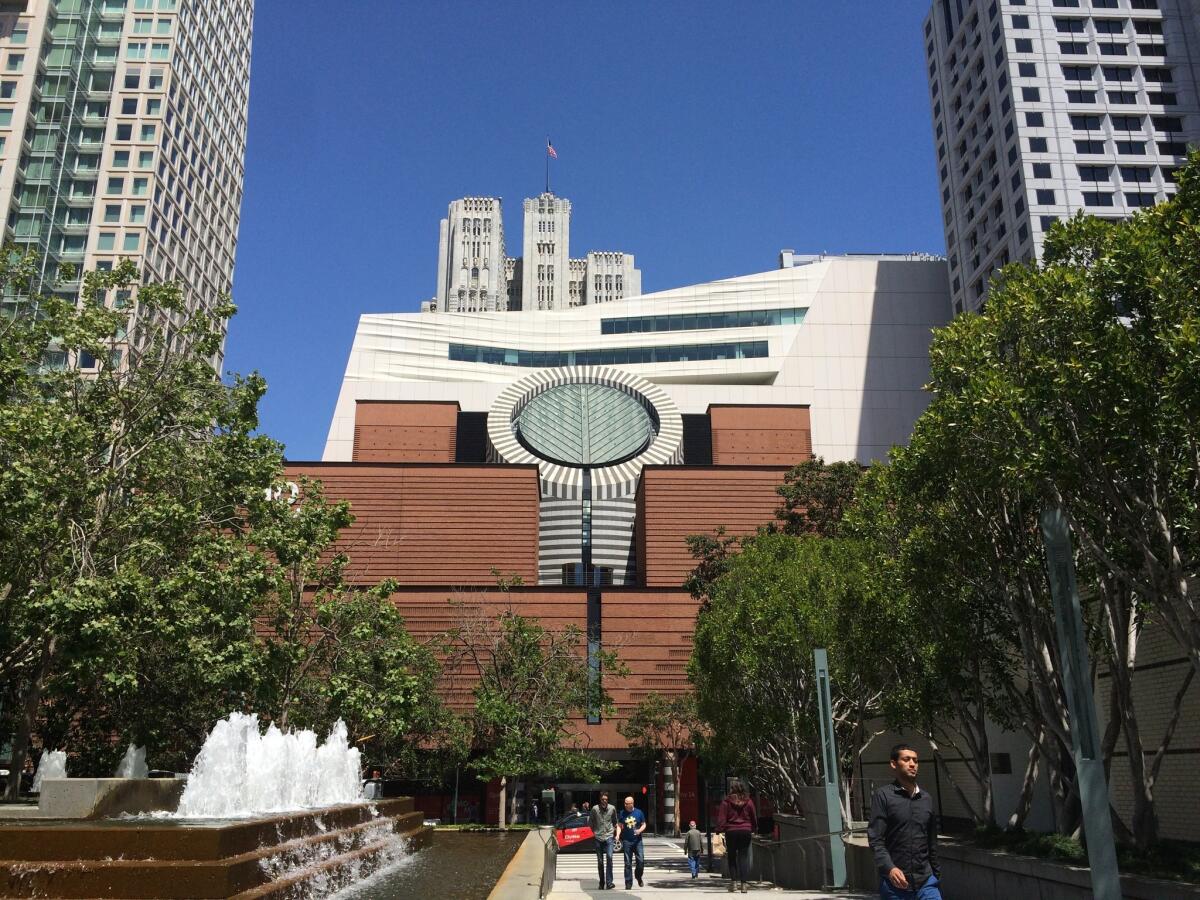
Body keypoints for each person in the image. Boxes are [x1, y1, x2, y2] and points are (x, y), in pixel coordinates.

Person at [868, 744, 942, 900]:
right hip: (895, 885)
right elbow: (876, 840)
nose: (912, 764)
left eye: (915, 760)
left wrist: (936, 875)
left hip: (926, 882)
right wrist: (890, 869)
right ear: (894, 764)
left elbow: (932, 842)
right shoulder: (883, 796)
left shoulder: (927, 799)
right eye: (906, 759)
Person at [717, 779, 757, 893]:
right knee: (743, 857)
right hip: (745, 831)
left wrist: (719, 829)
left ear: (732, 789)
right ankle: (744, 884)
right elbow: (753, 816)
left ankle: (733, 883)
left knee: (732, 857)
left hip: (731, 831)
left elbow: (722, 817)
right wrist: (754, 828)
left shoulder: (726, 801)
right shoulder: (748, 801)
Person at [589, 792, 619, 890]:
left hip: (609, 836)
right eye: (603, 799)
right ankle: (602, 883)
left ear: (608, 800)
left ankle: (609, 882)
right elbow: (591, 822)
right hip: (598, 837)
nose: (604, 801)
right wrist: (595, 832)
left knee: (609, 857)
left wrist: (615, 832)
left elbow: (615, 821)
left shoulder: (612, 808)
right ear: (600, 799)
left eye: (606, 799)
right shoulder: (594, 809)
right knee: (600, 861)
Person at [617, 795, 647, 889]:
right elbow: (619, 825)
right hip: (626, 841)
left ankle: (638, 876)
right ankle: (628, 883)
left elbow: (644, 824)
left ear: (632, 803)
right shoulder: (622, 813)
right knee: (627, 863)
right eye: (625, 803)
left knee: (641, 861)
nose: (625, 804)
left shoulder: (639, 812)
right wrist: (617, 834)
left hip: (637, 841)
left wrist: (639, 831)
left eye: (627, 803)